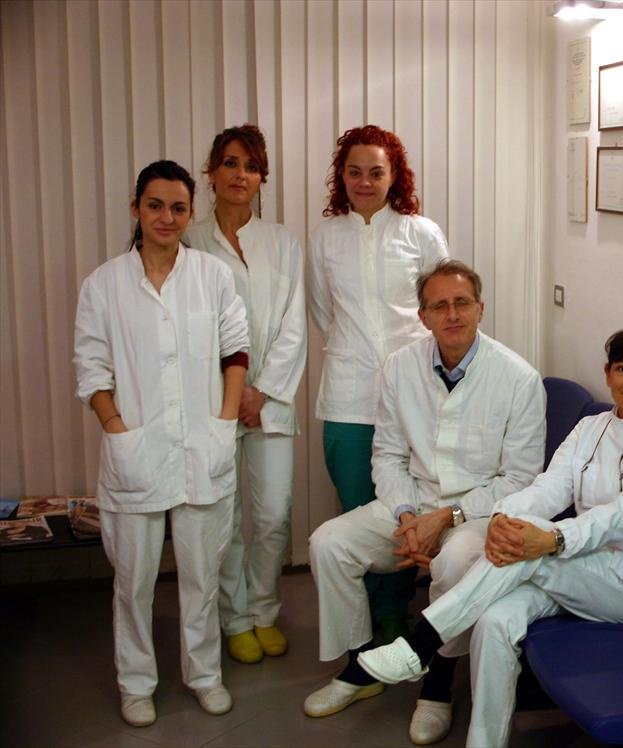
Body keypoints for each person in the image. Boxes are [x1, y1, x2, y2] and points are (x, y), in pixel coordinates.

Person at [356, 325, 623, 748]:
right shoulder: (591, 427)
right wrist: (504, 517)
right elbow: (550, 487)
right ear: (608, 373)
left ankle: (420, 644)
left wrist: (552, 540)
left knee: (529, 551)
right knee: (494, 621)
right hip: (579, 568)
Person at [304, 259, 547, 747]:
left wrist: (448, 517)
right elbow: (388, 455)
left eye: (462, 303)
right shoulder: (400, 367)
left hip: (478, 513)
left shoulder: (519, 378)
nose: (452, 314)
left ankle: (437, 685)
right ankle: (360, 667)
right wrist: (407, 516)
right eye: (439, 306)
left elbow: (520, 477)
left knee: (456, 561)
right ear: (423, 316)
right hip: (411, 501)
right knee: (328, 543)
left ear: (480, 308)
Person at [73, 160, 249, 727]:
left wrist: (224, 421)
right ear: (136, 209)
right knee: (134, 581)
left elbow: (235, 352)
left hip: (203, 445)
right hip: (138, 451)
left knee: (201, 575)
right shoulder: (104, 284)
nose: (166, 217)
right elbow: (91, 368)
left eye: (178, 207)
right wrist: (116, 429)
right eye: (155, 205)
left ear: (190, 212)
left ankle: (204, 675)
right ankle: (136, 683)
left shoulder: (212, 276)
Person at [307, 124, 449, 641]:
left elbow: (442, 307)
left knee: (405, 504)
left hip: (414, 393)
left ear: (394, 176)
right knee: (358, 509)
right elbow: (323, 312)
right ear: (341, 177)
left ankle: (392, 610)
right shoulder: (325, 238)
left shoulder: (421, 233)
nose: (364, 182)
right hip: (348, 396)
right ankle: (363, 613)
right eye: (354, 172)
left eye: (375, 172)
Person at [185, 124, 306, 664]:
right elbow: (188, 329)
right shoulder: (190, 241)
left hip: (269, 403)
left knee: (274, 512)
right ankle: (234, 619)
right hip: (212, 402)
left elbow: (294, 325)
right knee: (225, 517)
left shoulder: (282, 242)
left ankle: (264, 610)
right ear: (211, 172)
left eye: (252, 166)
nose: (241, 174)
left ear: (263, 178)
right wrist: (231, 394)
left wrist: (263, 390)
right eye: (231, 163)